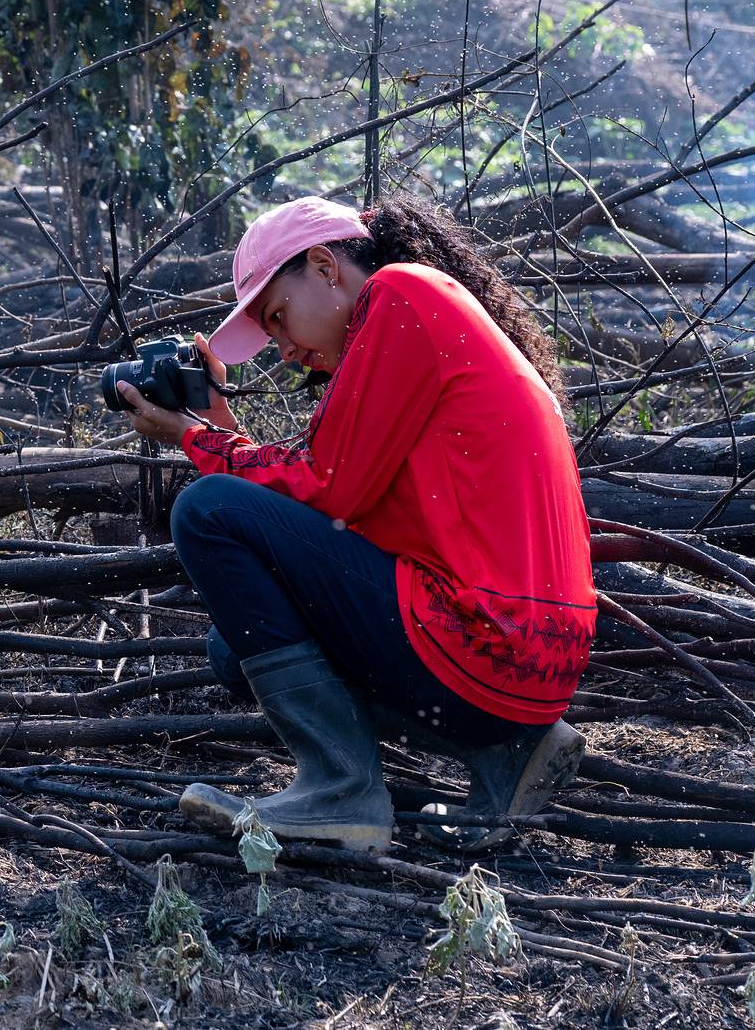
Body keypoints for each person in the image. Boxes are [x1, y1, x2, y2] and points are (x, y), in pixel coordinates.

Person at [111, 195, 596, 853]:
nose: (282, 350)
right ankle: (506, 756)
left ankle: (343, 792)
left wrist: (196, 441)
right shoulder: (428, 310)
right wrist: (219, 431)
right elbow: (335, 505)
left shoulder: (399, 295)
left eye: (278, 318)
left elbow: (325, 488)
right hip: (530, 666)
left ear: (324, 265)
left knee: (204, 512)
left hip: (485, 645)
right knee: (234, 648)